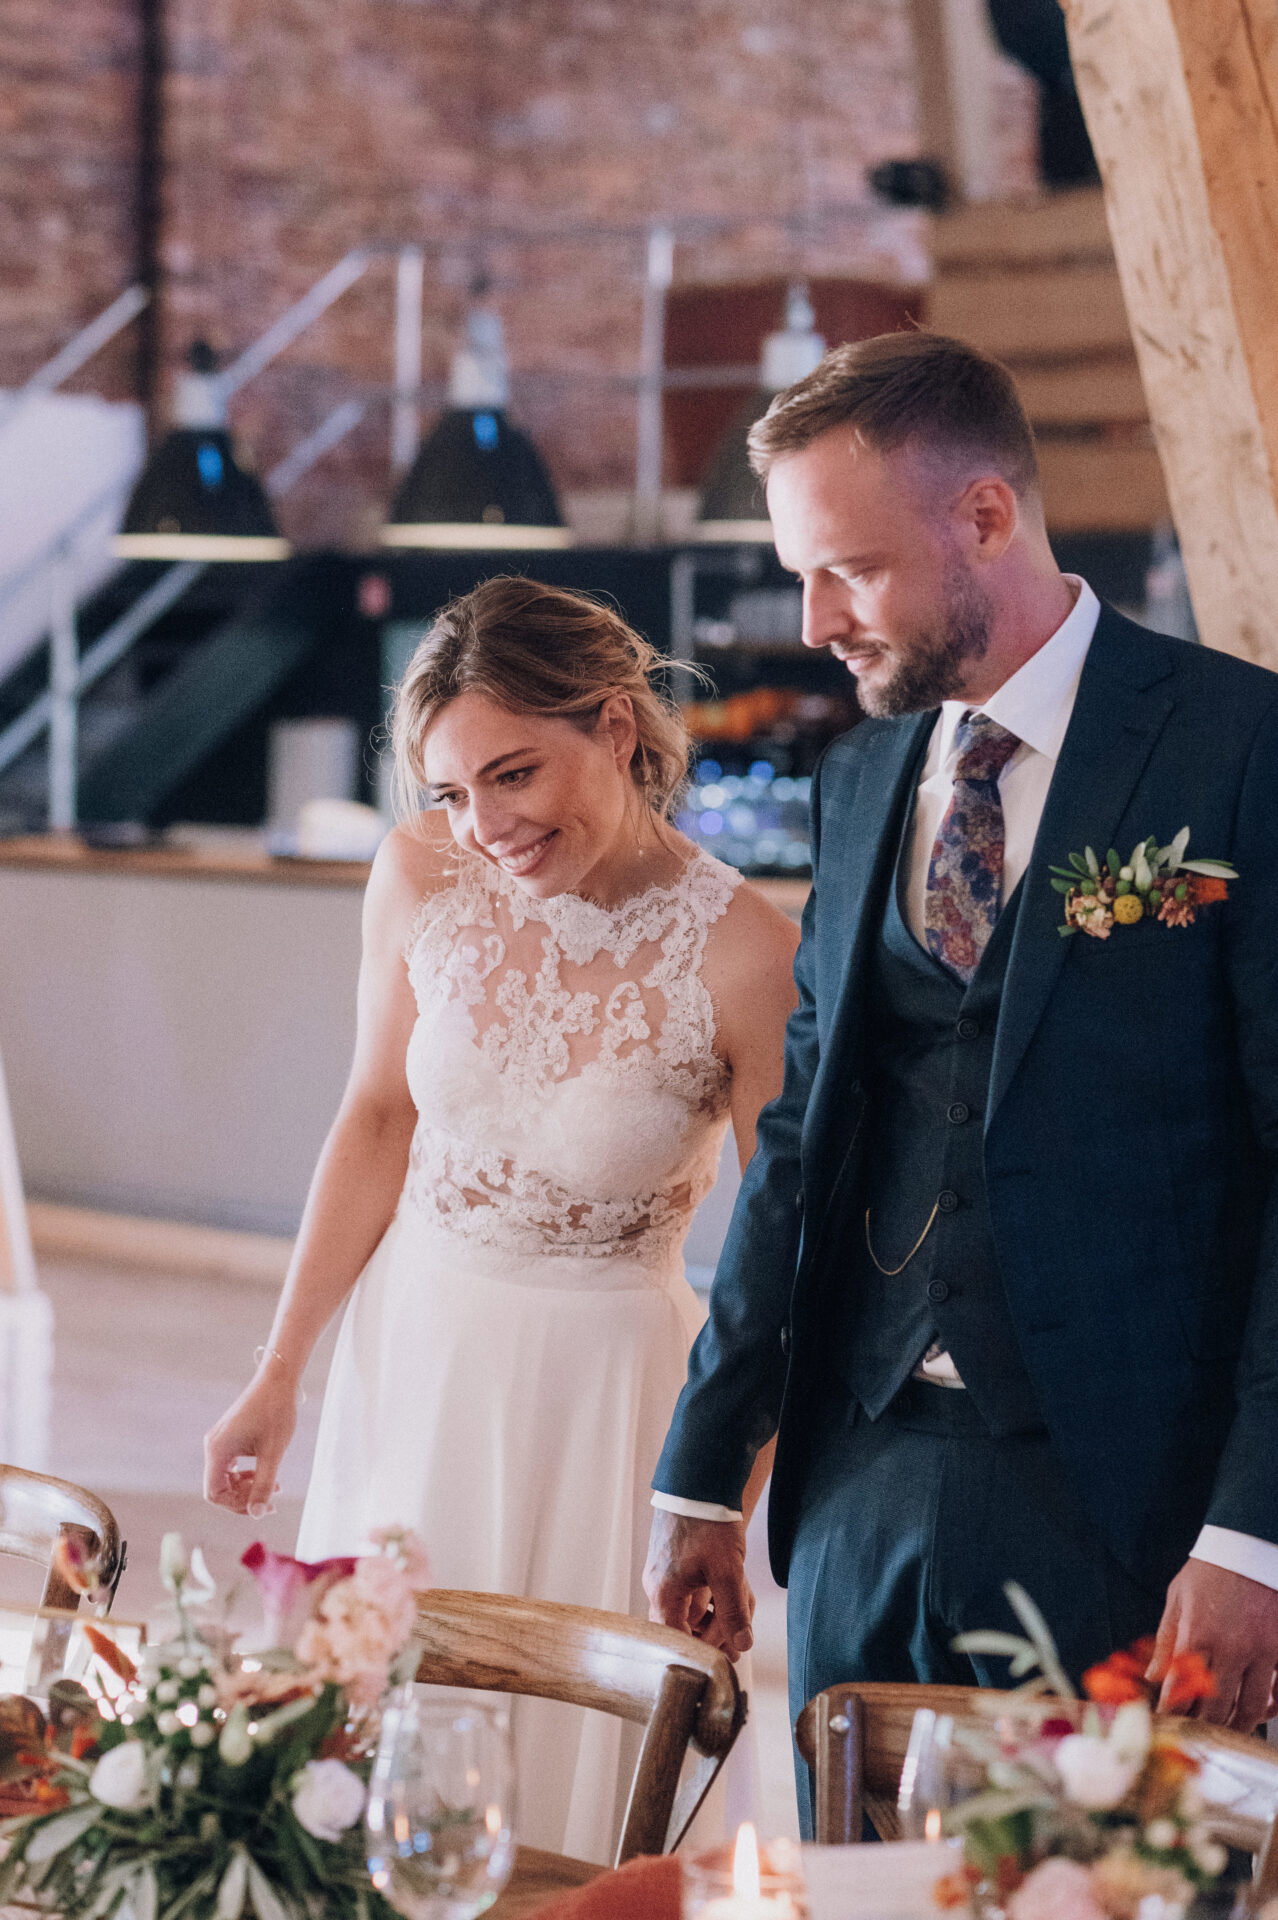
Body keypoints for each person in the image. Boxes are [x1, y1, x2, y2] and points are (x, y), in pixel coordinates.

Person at [644, 333, 1278, 1825]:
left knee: (1087, 1884)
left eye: (847, 571)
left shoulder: (1236, 748)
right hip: (859, 1469)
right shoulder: (859, 779)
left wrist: (1250, 1538)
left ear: (983, 519)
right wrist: (701, 1466)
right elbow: (802, 1142)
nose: (811, 623)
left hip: (1126, 1493)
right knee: (857, 1879)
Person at [204, 576, 798, 1862]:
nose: (484, 827)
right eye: (450, 792)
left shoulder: (748, 953)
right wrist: (281, 1370)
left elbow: (786, 1262)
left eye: (514, 776)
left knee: (573, 1785)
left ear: (619, 726)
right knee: (365, 1741)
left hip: (606, 1404)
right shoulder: (419, 874)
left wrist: (722, 1504)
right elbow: (374, 1119)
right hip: (412, 1357)